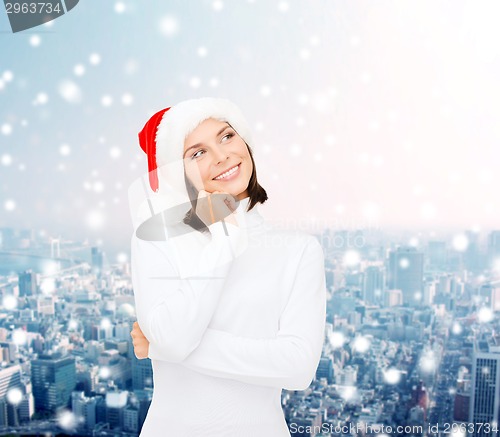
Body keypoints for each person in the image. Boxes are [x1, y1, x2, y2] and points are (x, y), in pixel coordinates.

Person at [130, 97, 327, 436]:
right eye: (197, 152)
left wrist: (160, 345)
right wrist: (223, 240)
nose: (221, 155)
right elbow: (174, 341)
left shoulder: (299, 251)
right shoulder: (156, 238)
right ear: (177, 174)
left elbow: (297, 367)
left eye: (226, 136)